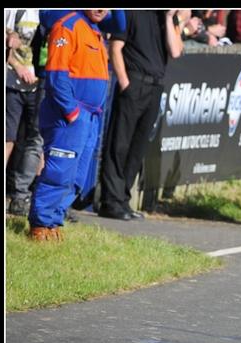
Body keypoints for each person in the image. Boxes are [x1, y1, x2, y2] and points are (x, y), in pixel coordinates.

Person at [26, 10, 111, 241]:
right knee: (59, 171)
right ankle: (40, 224)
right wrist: (72, 112)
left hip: (91, 117)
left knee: (78, 177)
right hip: (70, 115)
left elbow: (121, 20)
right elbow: (56, 75)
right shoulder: (67, 26)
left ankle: (54, 222)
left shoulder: (95, 30)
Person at [98, 10, 183, 221]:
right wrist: (125, 83)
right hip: (134, 82)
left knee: (138, 147)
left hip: (155, 87)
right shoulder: (132, 12)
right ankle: (110, 201)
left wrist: (168, 18)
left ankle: (123, 199)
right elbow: (115, 48)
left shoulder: (169, 19)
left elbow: (175, 51)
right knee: (119, 144)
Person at [5, 9, 40, 216]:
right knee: (7, 138)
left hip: (39, 84)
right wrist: (17, 66)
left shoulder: (46, 14)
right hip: (12, 81)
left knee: (37, 140)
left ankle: (27, 196)